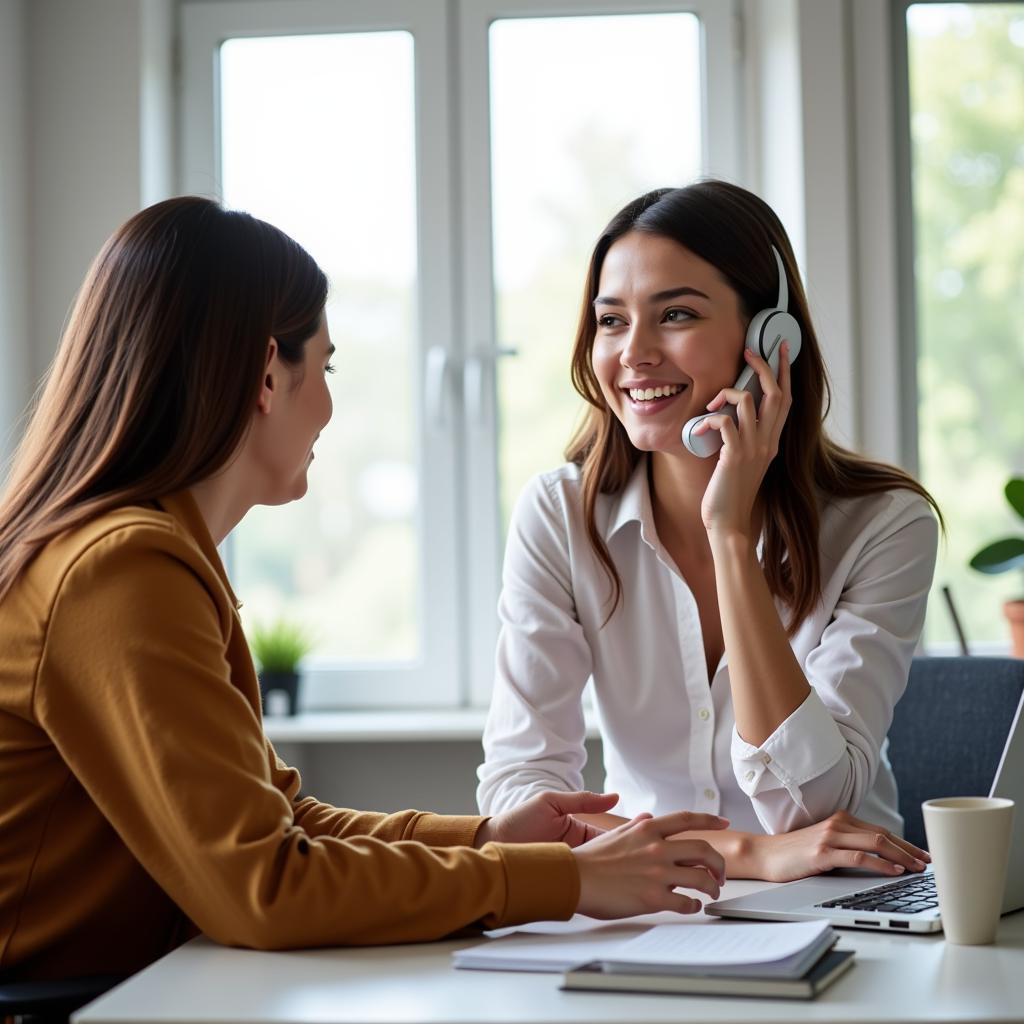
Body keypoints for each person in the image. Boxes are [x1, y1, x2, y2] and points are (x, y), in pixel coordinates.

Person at [0, 197, 730, 982]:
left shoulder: (143, 552)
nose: (329, 405)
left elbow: (278, 826)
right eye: (326, 365)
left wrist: (489, 842)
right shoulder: (121, 573)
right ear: (264, 378)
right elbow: (267, 886)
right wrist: (571, 883)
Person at [477, 181, 941, 883]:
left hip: (840, 901)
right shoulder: (559, 516)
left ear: (769, 338)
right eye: (611, 321)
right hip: (640, 896)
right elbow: (520, 799)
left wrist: (729, 535)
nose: (633, 353)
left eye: (676, 314)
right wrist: (746, 853)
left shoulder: (883, 524)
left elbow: (809, 807)